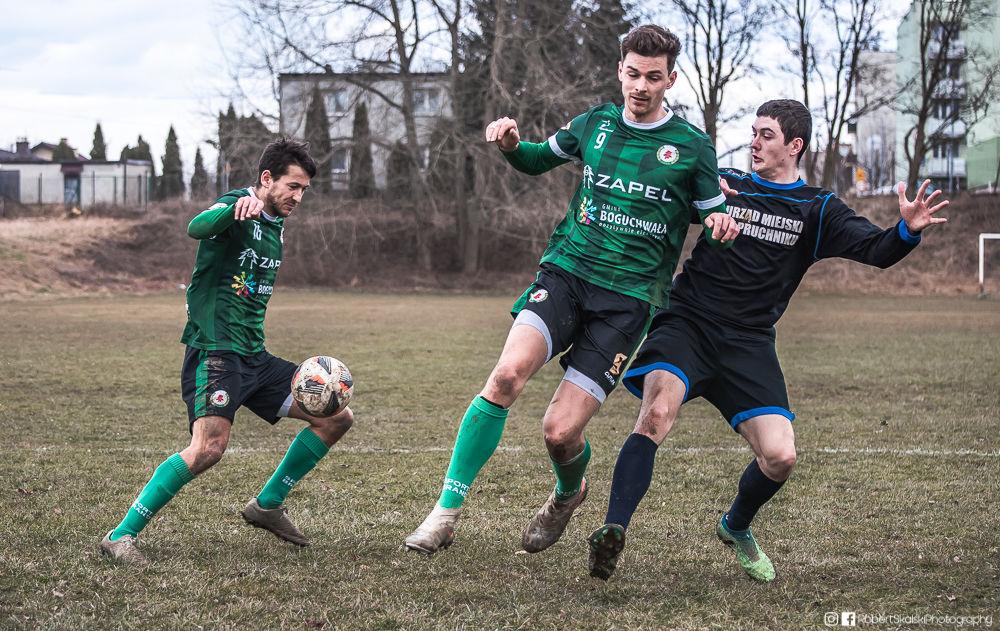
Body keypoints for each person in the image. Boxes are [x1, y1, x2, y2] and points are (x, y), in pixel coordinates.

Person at [404, 24, 740, 556]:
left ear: (671, 80)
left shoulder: (693, 147)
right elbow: (537, 158)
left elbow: (713, 217)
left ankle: (568, 492)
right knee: (506, 375)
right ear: (620, 71)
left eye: (654, 77)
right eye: (633, 74)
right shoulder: (594, 125)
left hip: (628, 303)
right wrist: (511, 145)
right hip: (567, 274)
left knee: (559, 433)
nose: (641, 86)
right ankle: (444, 514)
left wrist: (721, 228)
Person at [588, 99, 949, 582]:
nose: (754, 143)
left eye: (766, 135)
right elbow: (660, 201)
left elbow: (877, 250)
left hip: (749, 343)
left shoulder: (817, 209)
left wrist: (907, 229)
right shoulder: (727, 183)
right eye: (753, 132)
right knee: (655, 414)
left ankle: (735, 526)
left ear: (794, 145)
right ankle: (613, 529)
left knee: (780, 457)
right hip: (687, 324)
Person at [100, 138, 354, 563]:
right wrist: (233, 208)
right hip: (216, 353)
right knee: (207, 449)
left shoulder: (274, 225)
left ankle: (267, 505)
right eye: (292, 186)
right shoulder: (238, 207)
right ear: (267, 178)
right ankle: (120, 536)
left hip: (254, 356)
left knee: (336, 417)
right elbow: (196, 227)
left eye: (304, 190)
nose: (298, 196)